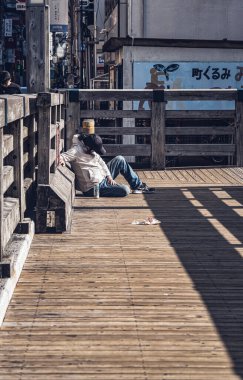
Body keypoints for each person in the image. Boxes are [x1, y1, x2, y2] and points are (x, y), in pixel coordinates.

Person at [60, 133, 154, 197]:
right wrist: (62, 160)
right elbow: (61, 156)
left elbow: (102, 163)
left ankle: (138, 186)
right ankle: (116, 187)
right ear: (88, 147)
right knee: (125, 190)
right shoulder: (76, 151)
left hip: (102, 177)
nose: (96, 152)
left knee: (120, 159)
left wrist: (109, 176)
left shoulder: (91, 148)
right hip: (93, 187)